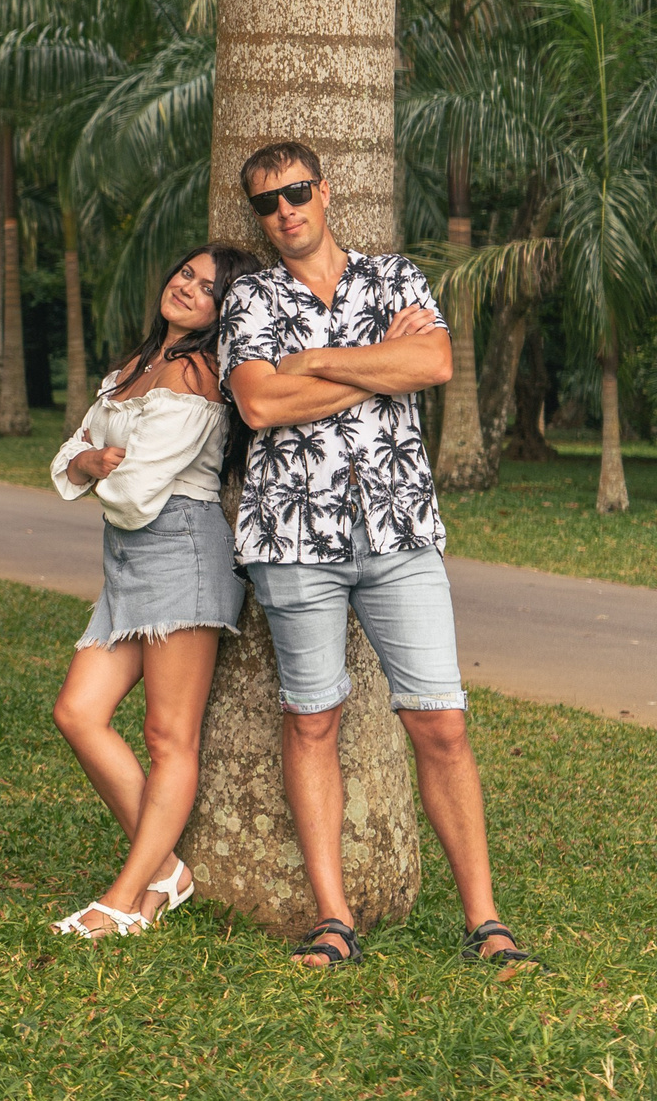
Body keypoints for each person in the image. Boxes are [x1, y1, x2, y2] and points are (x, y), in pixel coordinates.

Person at [219, 140, 530, 969]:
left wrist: (316, 362)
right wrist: (375, 369)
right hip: (293, 536)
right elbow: (257, 403)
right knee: (312, 717)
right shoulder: (248, 296)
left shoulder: (393, 277)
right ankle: (334, 919)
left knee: (441, 722)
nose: (284, 210)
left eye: (294, 192)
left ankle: (487, 921)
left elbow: (432, 359)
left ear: (324, 191)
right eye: (266, 202)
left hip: (398, 531)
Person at [46, 242, 260, 938]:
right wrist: (84, 459)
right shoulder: (132, 369)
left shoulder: (198, 374)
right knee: (78, 711)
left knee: (169, 736)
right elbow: (65, 457)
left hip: (182, 552)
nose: (189, 288)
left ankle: (123, 896)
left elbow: (136, 493)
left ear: (224, 312)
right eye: (186, 274)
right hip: (129, 564)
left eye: (209, 288)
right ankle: (167, 869)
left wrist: (92, 468)